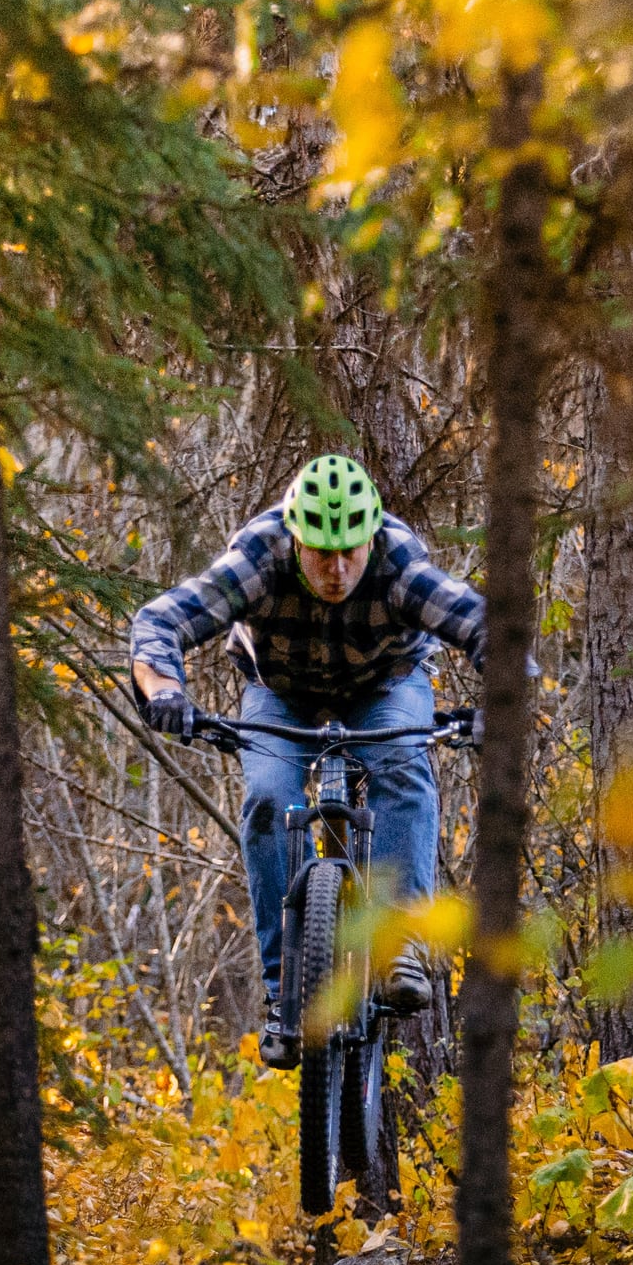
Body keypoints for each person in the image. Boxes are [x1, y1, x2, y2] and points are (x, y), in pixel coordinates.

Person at [128, 453, 484, 1066]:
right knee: (269, 796)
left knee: (402, 762)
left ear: (371, 536)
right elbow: (160, 620)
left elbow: (484, 625)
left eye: (350, 549)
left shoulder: (399, 562)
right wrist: (164, 693)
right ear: (295, 538)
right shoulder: (260, 556)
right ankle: (282, 989)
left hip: (386, 686)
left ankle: (399, 942)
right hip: (281, 692)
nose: (337, 567)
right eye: (321, 551)